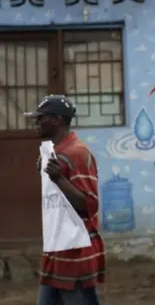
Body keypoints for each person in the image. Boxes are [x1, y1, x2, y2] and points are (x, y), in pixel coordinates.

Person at [26, 95, 105, 305]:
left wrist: (59, 179)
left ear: (56, 120)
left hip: (75, 251)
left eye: (40, 118)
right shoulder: (54, 153)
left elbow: (90, 205)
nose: (36, 123)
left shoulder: (76, 154)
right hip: (57, 248)